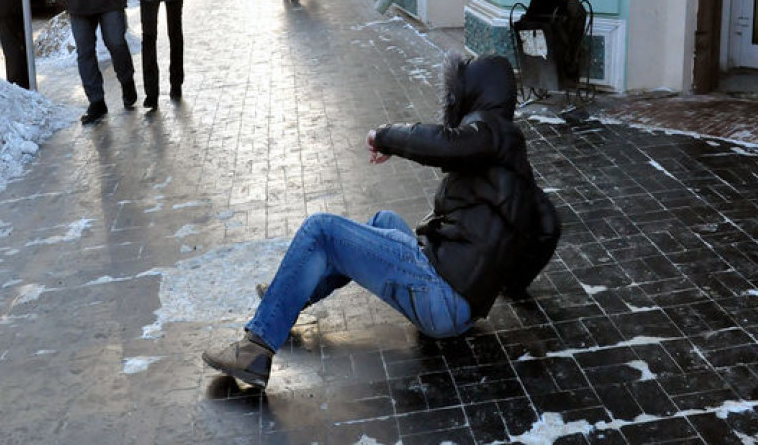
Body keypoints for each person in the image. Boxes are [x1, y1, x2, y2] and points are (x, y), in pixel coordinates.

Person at [202, 53, 562, 389]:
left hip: (441, 296)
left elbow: (444, 143)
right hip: (462, 308)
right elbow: (548, 227)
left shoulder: (489, 131)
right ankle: (290, 295)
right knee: (383, 219)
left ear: (472, 94)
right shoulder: (515, 160)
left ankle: (254, 349)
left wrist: (384, 136)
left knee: (322, 230)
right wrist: (509, 285)